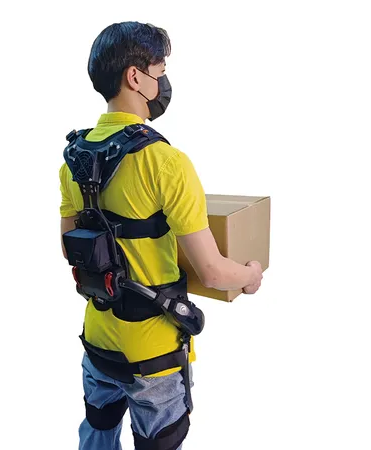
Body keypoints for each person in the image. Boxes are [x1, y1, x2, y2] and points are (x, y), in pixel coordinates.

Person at [59, 21, 263, 450]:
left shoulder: (72, 160)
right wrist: (250, 274)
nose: (164, 82)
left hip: (98, 339)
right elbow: (211, 271)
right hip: (152, 353)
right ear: (136, 77)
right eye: (160, 70)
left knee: (97, 431)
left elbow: (68, 247)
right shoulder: (166, 162)